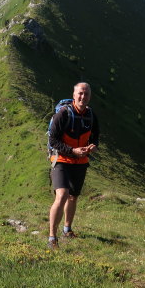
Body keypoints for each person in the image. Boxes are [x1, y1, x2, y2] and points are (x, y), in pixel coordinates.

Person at [47, 82, 99, 249]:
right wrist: (72, 151)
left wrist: (93, 146)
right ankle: (52, 238)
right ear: (74, 94)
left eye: (86, 94)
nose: (83, 97)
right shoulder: (63, 114)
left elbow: (96, 136)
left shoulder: (91, 115)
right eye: (80, 93)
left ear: (90, 96)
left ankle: (67, 229)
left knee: (73, 197)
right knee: (62, 195)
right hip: (61, 159)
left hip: (81, 161)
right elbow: (53, 140)